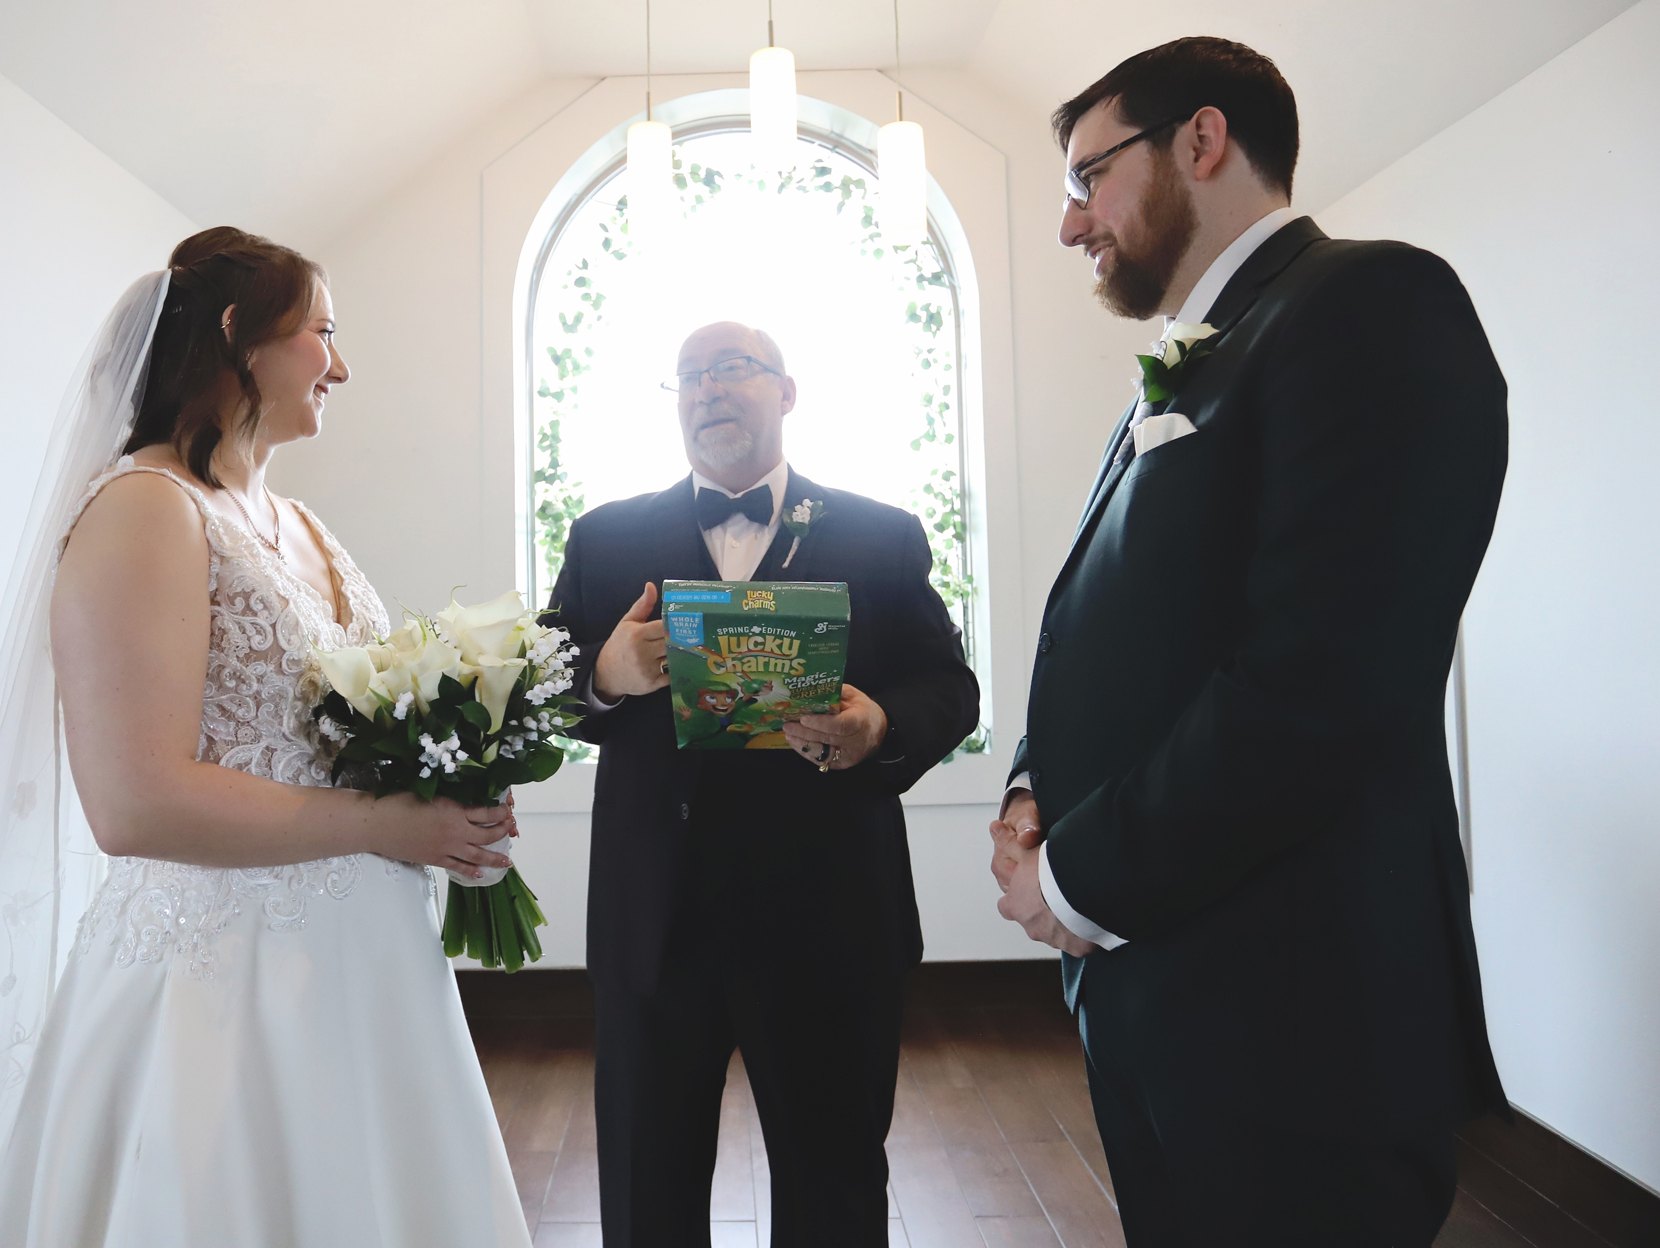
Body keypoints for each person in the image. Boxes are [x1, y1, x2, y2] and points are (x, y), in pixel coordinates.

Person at [0, 228, 529, 1247]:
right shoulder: (146, 508)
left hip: (371, 976)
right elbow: (133, 803)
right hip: (222, 990)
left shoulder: (300, 523)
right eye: (322, 333)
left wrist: (449, 792)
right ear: (237, 334)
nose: (341, 366)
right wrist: (386, 823)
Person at [987, 38, 1510, 1246]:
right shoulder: (1198, 361)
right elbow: (1132, 630)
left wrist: (1075, 878)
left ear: (1202, 140)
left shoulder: (1371, 302)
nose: (1070, 224)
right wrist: (1032, 786)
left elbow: (1321, 678)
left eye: (1087, 177)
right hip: (1163, 990)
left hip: (1294, 1015)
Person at [549, 322, 979, 1246]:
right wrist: (603, 674)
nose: (708, 388)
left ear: (787, 391)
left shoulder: (883, 534)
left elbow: (949, 686)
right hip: (656, 920)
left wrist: (880, 726)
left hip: (830, 913)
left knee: (836, 1189)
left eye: (733, 368)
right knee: (647, 1191)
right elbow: (538, 690)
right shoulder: (604, 537)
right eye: (689, 376)